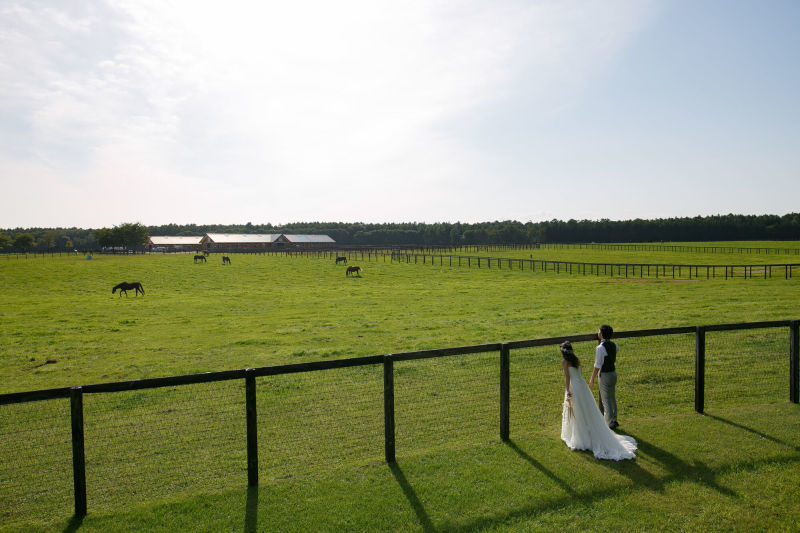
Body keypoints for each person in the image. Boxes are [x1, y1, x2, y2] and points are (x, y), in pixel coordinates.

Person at [560, 341, 636, 460]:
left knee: (577, 411)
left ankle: (580, 436)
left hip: (574, 387)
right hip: (582, 386)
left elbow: (567, 377)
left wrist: (568, 390)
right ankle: (587, 430)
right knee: (586, 409)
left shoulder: (565, 362)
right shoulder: (576, 360)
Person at [589, 324, 618, 429]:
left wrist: (592, 378)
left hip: (605, 374)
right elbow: (616, 350)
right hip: (613, 373)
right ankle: (614, 419)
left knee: (605, 400)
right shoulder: (614, 345)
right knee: (612, 397)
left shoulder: (600, 348)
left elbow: (597, 365)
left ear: (601, 334)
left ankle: (608, 423)